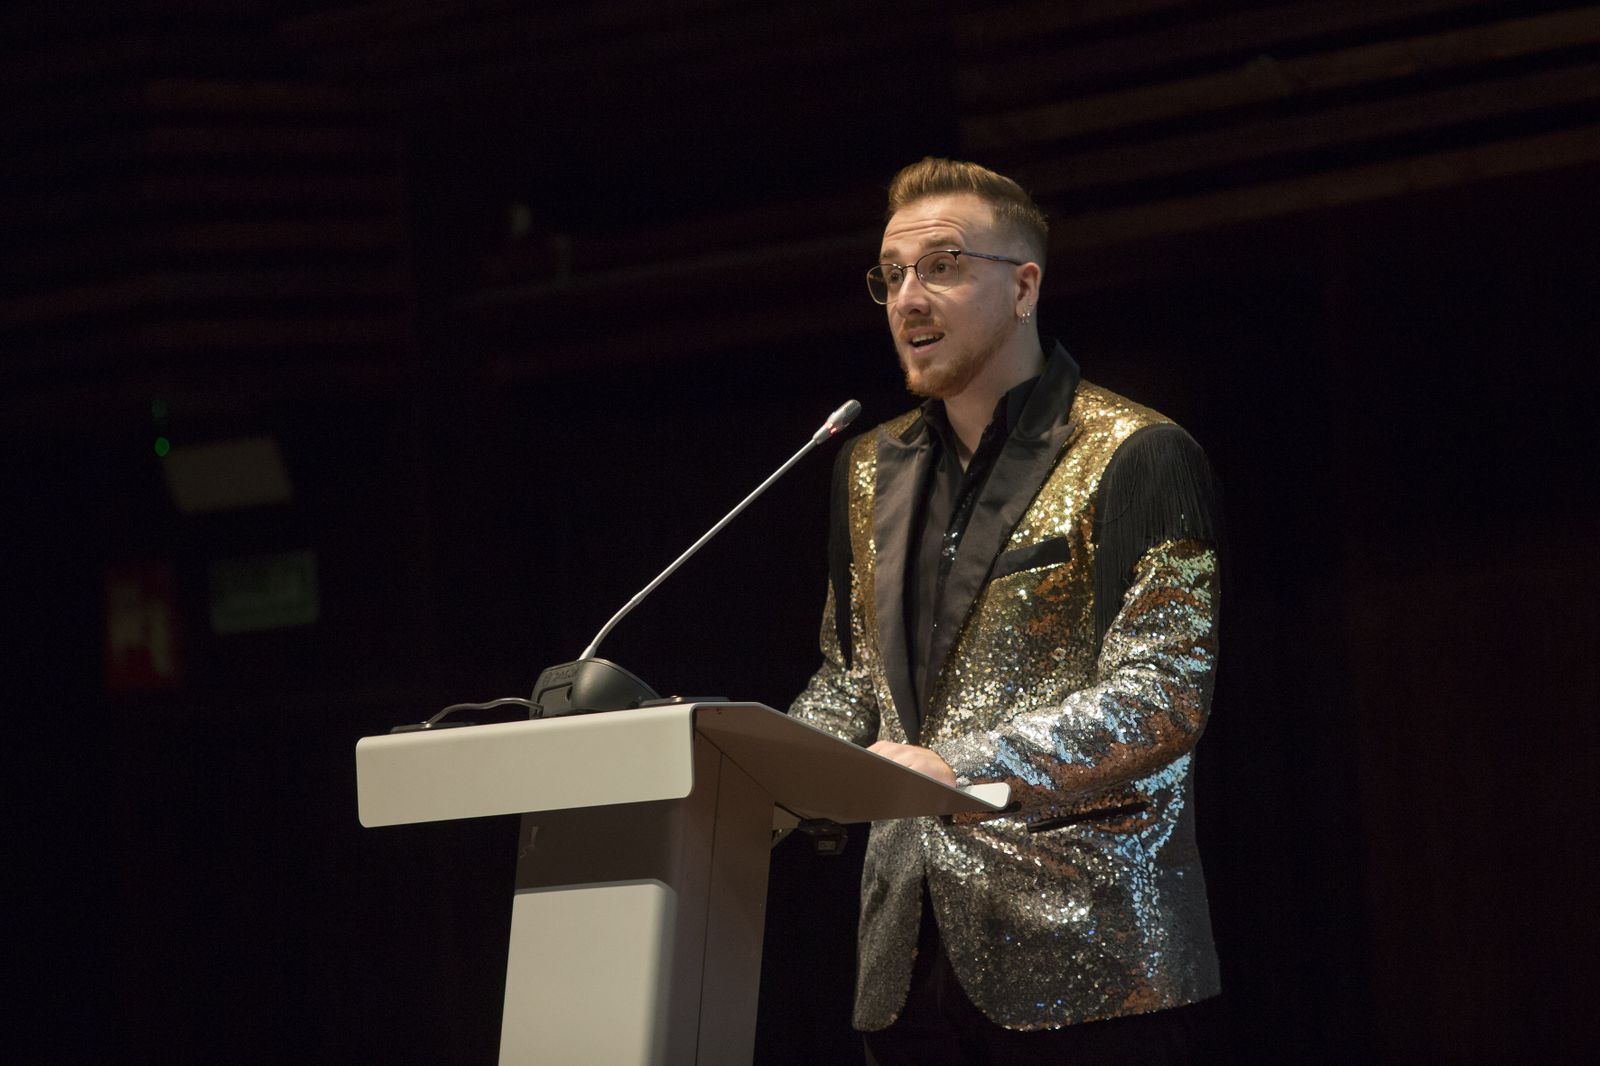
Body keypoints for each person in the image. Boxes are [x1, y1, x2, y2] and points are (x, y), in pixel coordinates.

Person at [788, 157, 1224, 1065]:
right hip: (905, 964)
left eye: (941, 266)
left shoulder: (1137, 454)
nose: (909, 297)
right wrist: (760, 769)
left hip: (1093, 961)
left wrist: (951, 767)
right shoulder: (865, 468)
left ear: (1024, 286)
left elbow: (1161, 695)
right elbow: (852, 677)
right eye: (892, 275)